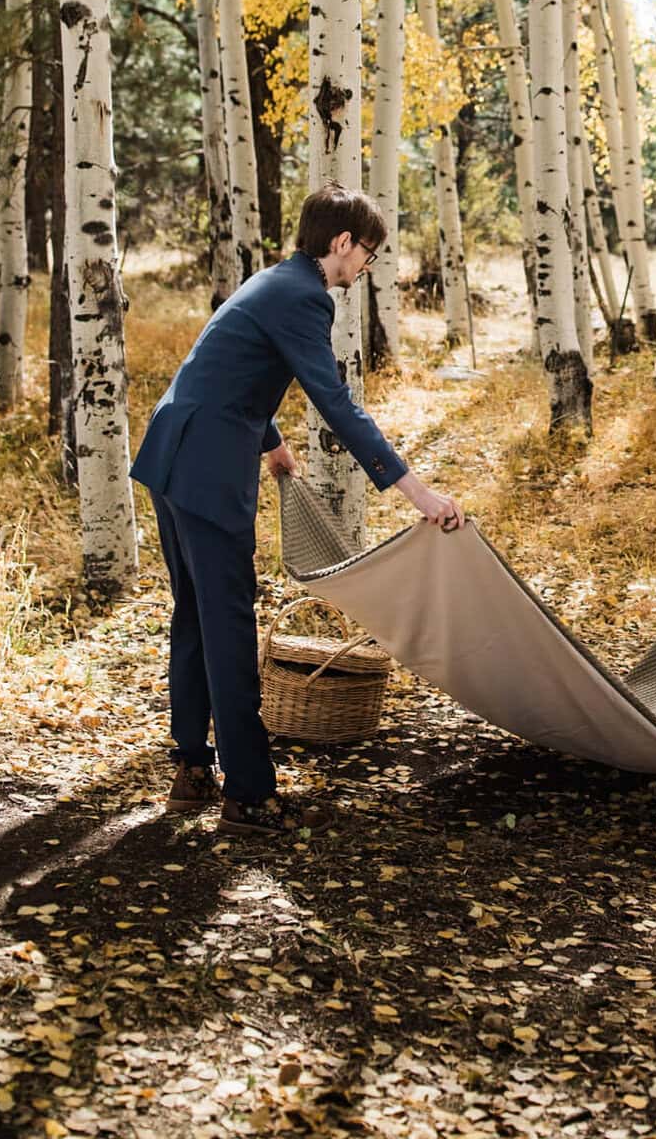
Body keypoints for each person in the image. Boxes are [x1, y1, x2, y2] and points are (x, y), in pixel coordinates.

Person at [132, 182, 465, 837]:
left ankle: (192, 769)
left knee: (195, 615)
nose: (366, 267)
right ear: (342, 243)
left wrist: (275, 444)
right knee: (228, 622)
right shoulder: (305, 297)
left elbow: (227, 369)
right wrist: (416, 492)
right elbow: (336, 403)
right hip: (204, 468)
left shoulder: (272, 284)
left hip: (173, 452)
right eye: (367, 253)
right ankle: (249, 793)